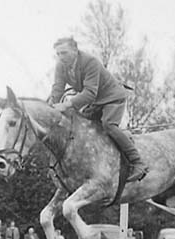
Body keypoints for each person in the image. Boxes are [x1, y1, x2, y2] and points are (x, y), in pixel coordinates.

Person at [48, 37, 147, 182]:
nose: (61, 57)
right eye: (58, 54)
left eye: (64, 53)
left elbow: (89, 93)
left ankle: (138, 163)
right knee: (80, 127)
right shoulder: (61, 65)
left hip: (112, 98)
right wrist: (53, 106)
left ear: (75, 50)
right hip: (95, 102)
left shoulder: (90, 62)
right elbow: (58, 87)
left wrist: (66, 105)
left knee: (109, 126)